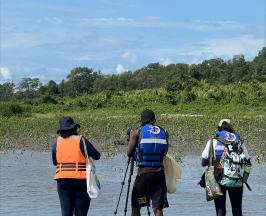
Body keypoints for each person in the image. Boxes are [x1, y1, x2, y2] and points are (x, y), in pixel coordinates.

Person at [52, 116, 101, 216]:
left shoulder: (57, 143)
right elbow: (97, 155)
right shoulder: (81, 140)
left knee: (66, 213)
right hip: (80, 180)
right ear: (74, 128)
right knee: (81, 213)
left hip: (62, 180)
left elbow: (55, 162)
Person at [201, 119, 251, 216]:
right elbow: (248, 161)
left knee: (220, 210)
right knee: (237, 211)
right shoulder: (239, 141)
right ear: (232, 129)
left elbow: (203, 162)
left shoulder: (213, 141)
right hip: (237, 179)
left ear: (219, 129)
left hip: (218, 179)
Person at [127, 109, 169, 216]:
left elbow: (129, 152)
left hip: (144, 175)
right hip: (159, 174)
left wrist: (132, 137)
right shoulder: (163, 132)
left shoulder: (138, 132)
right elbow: (164, 152)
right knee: (158, 208)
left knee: (136, 206)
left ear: (142, 121)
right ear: (154, 120)